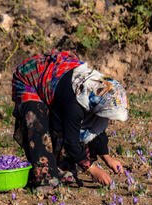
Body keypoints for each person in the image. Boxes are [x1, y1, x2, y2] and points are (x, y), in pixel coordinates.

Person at [11, 50, 128, 192]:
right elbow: (71, 140)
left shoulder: (97, 93)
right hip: (30, 79)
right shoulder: (76, 103)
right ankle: (44, 178)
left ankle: (61, 168)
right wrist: (93, 170)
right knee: (37, 124)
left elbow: (95, 128)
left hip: (60, 84)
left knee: (64, 123)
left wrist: (107, 157)